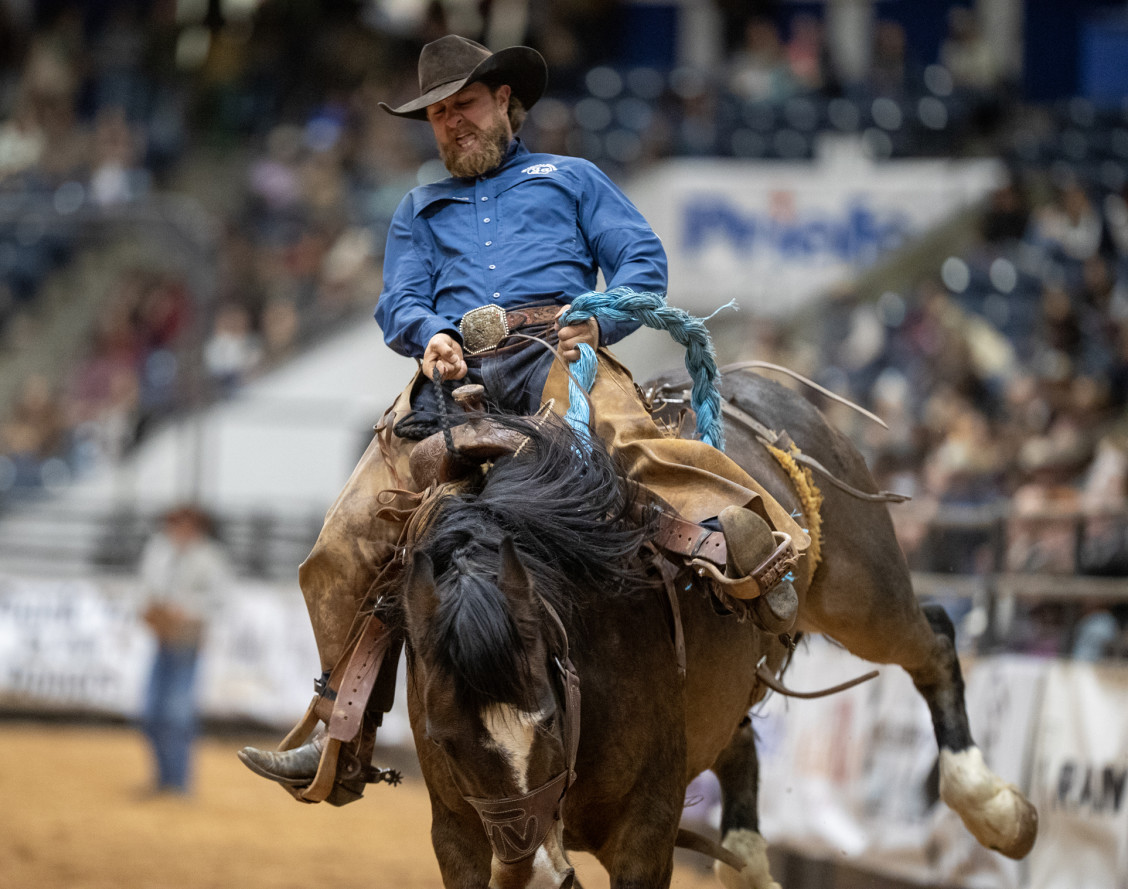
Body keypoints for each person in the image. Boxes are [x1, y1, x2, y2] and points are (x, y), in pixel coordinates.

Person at [238, 35, 808, 796]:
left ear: (506, 101)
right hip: (454, 380)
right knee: (344, 539)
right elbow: (400, 299)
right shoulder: (417, 208)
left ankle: (756, 545)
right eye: (438, 115)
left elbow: (641, 260)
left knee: (641, 448)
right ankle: (341, 733)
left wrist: (600, 323)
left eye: (464, 105)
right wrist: (429, 334)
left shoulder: (571, 178)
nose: (451, 124)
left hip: (560, 358)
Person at [139, 504, 233, 795]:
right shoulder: (160, 552)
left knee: (175, 714)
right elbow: (144, 590)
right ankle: (166, 779)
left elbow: (221, 601)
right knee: (152, 713)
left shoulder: (210, 559)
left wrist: (187, 611)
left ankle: (176, 783)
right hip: (163, 640)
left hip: (187, 643)